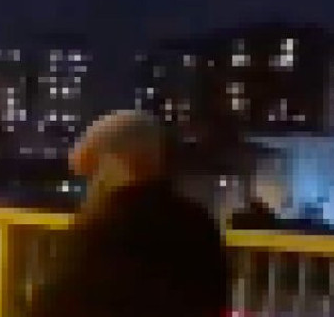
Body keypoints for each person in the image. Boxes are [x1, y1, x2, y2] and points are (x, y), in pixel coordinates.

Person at [25, 110, 228, 317]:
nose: (91, 187)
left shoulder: (100, 231)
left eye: (93, 174)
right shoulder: (200, 226)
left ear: (120, 162)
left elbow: (54, 304)